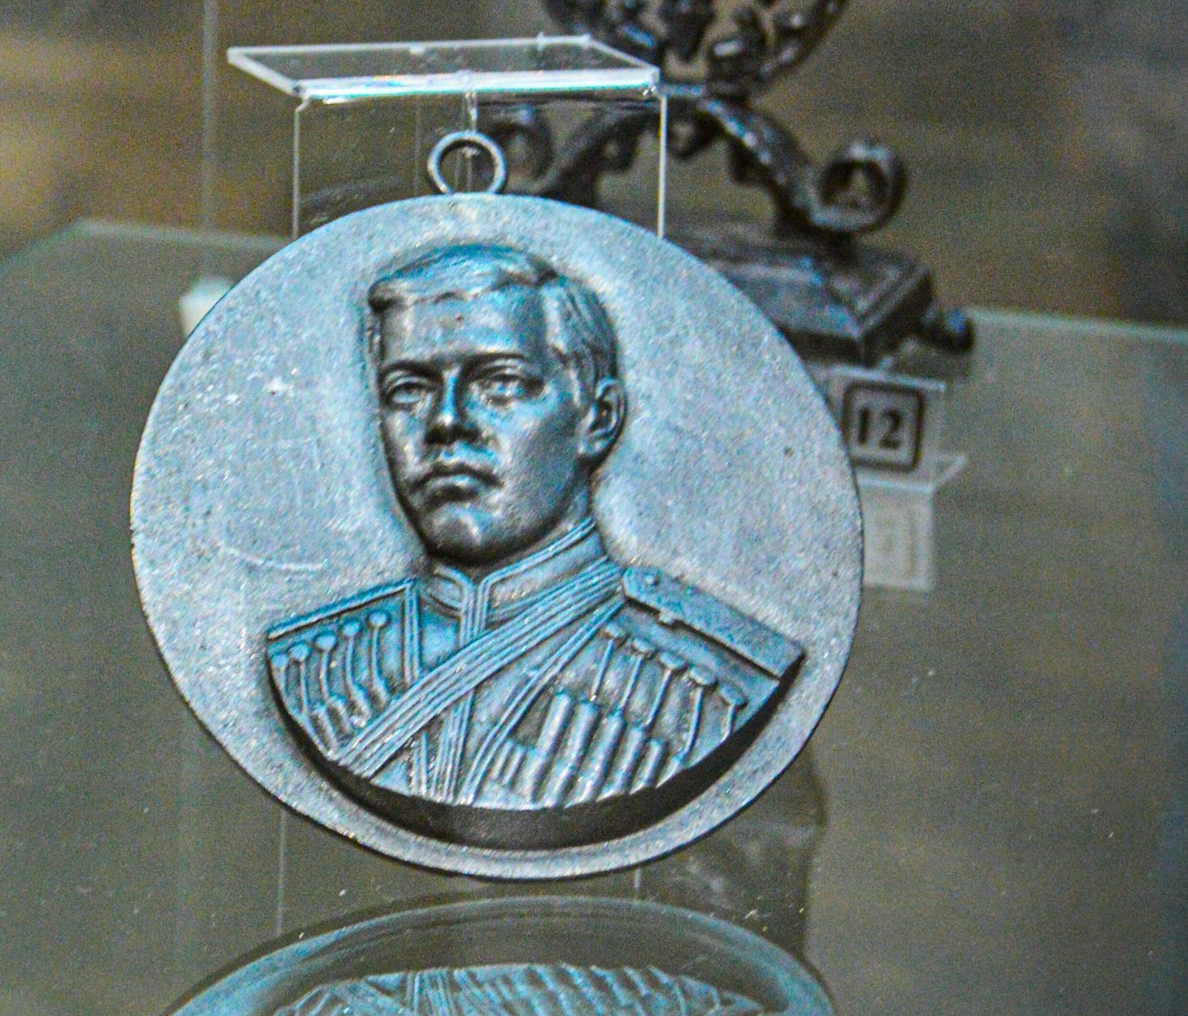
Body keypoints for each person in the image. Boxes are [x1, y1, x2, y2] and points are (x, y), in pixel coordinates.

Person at [265, 241, 801, 851]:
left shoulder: (712, 685)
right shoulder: (308, 666)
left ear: (597, 419)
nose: (445, 422)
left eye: (500, 384)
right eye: (408, 390)